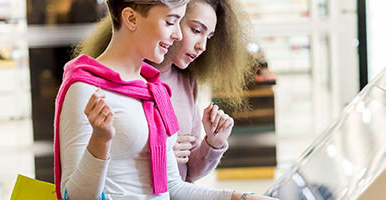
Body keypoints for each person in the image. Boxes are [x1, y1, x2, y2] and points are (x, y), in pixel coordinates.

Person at [56, 0, 276, 200]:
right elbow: (73, 197)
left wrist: (240, 197)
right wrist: (100, 142)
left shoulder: (156, 90)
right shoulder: (85, 88)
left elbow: (174, 188)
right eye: (171, 22)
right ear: (131, 18)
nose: (178, 35)